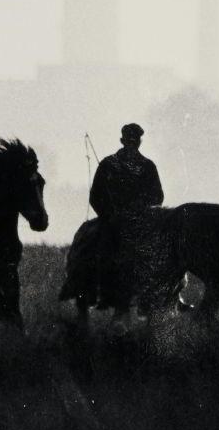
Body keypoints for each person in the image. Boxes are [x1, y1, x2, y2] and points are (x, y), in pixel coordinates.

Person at [60, 123, 165, 318]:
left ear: (140, 142)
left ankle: (167, 295)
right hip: (112, 221)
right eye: (129, 140)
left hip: (139, 221)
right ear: (122, 141)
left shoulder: (148, 166)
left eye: (135, 140)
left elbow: (158, 196)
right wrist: (109, 214)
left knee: (164, 251)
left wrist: (140, 207)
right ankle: (89, 290)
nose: (132, 143)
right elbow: (95, 196)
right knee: (91, 247)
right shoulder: (107, 164)